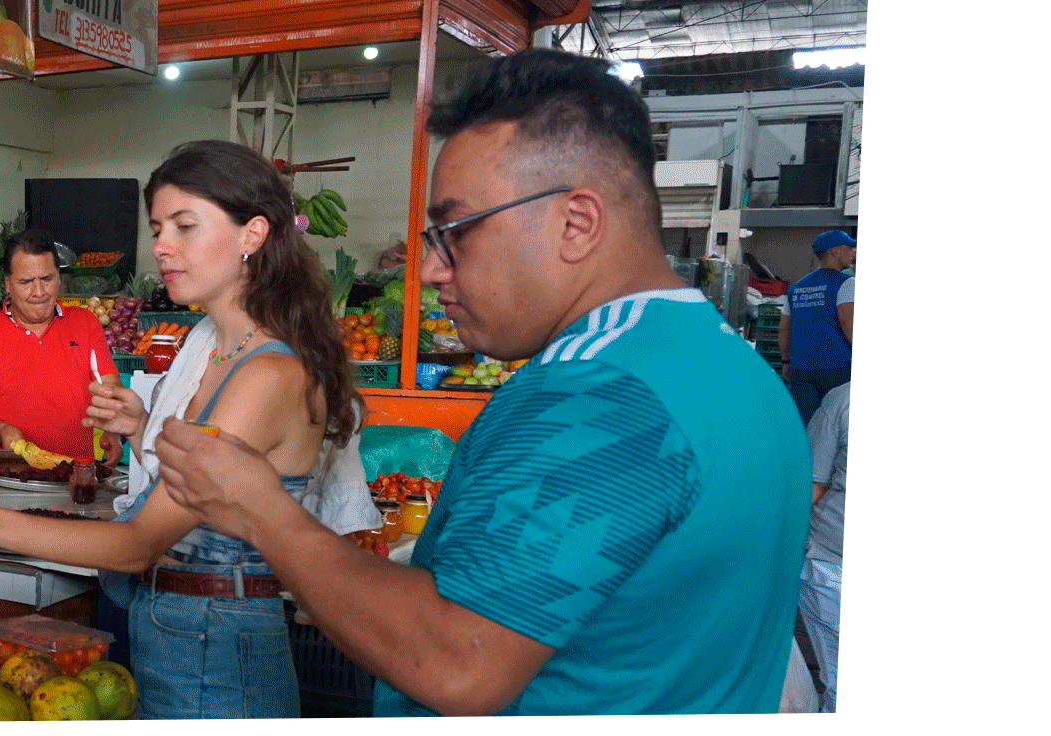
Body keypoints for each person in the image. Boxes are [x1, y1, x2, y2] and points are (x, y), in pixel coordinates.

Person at [151, 49, 811, 716]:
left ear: (576, 223)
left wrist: (261, 509)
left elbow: (457, 661)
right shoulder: (725, 363)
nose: (433, 270)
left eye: (456, 231)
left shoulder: (600, 393)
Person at [0, 139, 365, 719]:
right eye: (158, 228)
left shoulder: (267, 375)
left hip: (218, 651)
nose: (161, 246)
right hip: (173, 630)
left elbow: (138, 545)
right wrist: (140, 430)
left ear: (252, 235)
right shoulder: (210, 348)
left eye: (184, 227)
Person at [0, 228, 115, 459]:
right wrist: (1, 431)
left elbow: (109, 388)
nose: (38, 292)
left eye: (47, 279)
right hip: (6, 476)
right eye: (26, 282)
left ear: (59, 277)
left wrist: (112, 430)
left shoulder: (85, 323)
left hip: (75, 476)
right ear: (8, 284)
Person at [801, 381, 850, 712]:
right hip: (832, 562)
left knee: (842, 682)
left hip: (832, 560)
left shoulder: (845, 400)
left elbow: (812, 487)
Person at [781, 230, 856, 422]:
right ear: (835, 251)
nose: (853, 253)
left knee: (808, 423)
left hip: (802, 368)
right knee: (835, 424)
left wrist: (786, 362)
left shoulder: (797, 288)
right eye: (850, 248)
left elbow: (784, 328)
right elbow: (847, 321)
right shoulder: (846, 284)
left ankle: (805, 454)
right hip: (837, 367)